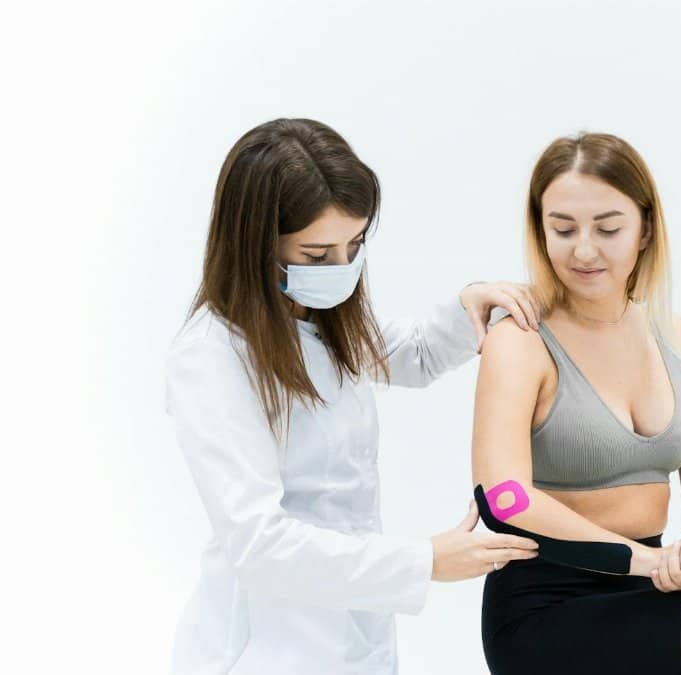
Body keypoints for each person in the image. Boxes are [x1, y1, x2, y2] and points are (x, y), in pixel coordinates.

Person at [165, 118, 541, 675]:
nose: (341, 270)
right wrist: (425, 561)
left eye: (355, 244)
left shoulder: (317, 318)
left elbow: (411, 355)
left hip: (353, 633)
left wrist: (471, 306)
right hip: (264, 645)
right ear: (253, 245)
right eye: (316, 256)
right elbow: (258, 545)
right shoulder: (214, 356)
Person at [472, 132, 681, 674]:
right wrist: (648, 561)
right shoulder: (520, 338)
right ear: (540, 230)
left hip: (650, 590)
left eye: (608, 228)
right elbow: (504, 497)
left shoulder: (674, 335)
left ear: (646, 228)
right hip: (544, 608)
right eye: (562, 228)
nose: (584, 249)